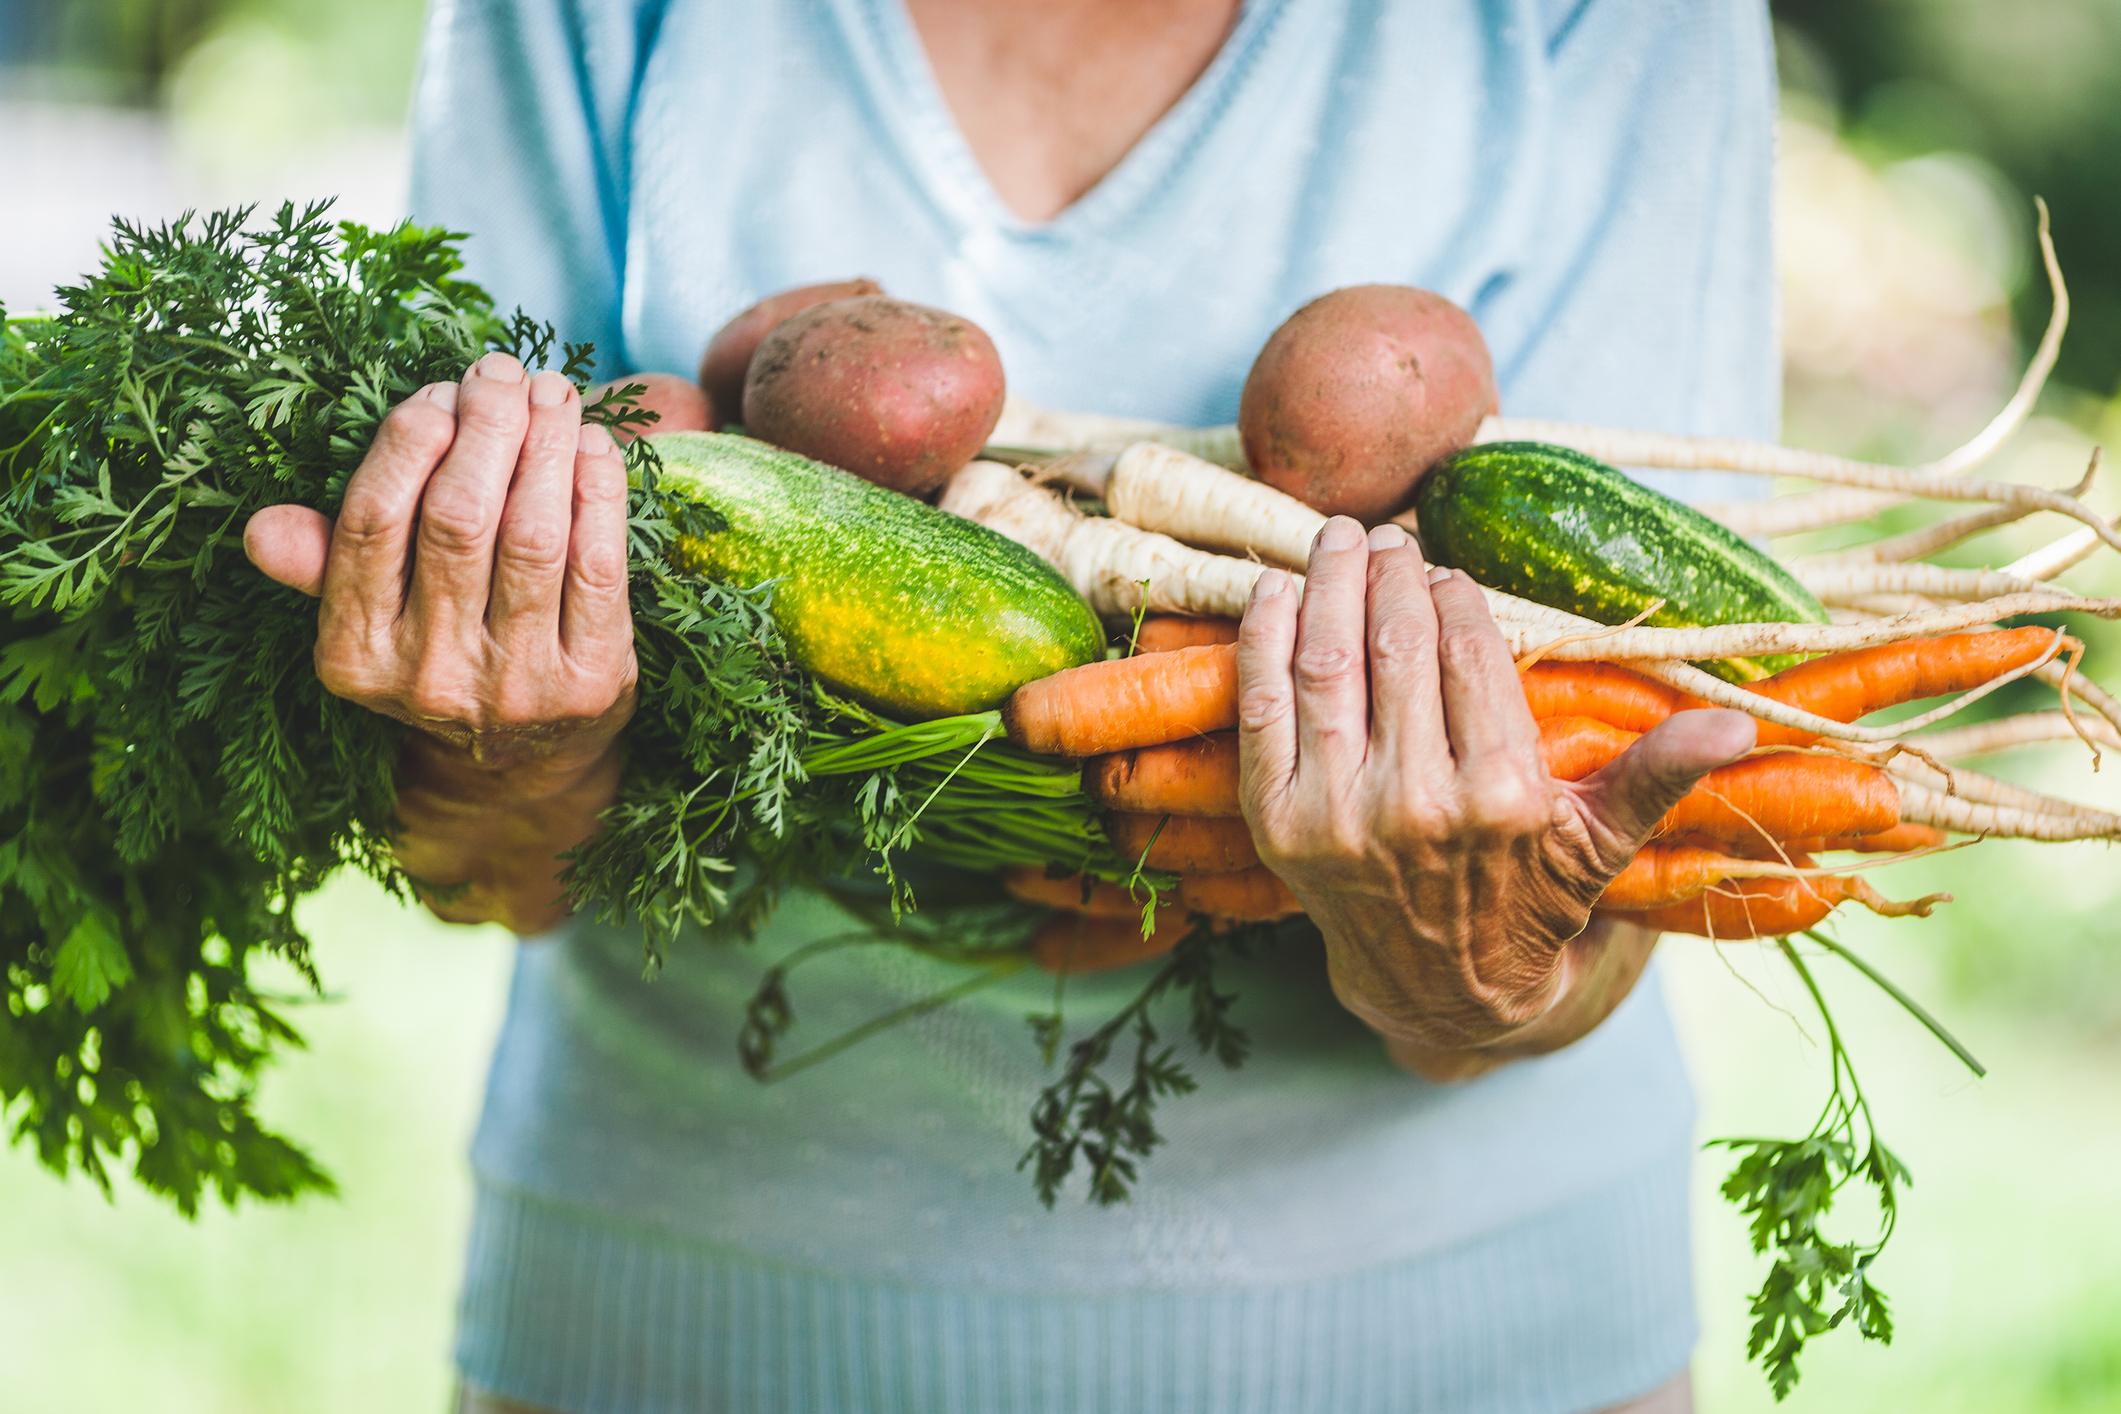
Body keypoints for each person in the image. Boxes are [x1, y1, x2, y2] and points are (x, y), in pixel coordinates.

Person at [244, 1, 1780, 1409]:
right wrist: (500, 766)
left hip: (1465, 1348)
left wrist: (1475, 974)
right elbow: (484, 865)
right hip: (684, 1323)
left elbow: (1641, 800)